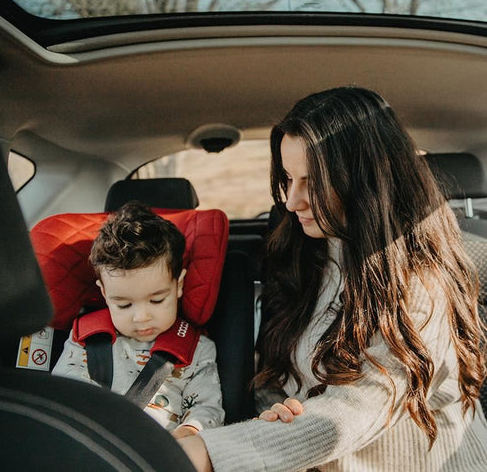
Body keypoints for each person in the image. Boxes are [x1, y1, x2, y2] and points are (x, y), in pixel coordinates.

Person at [178, 86, 487, 470]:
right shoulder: (311, 252)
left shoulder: (422, 282)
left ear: (366, 181)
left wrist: (210, 452)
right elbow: (276, 374)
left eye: (313, 182)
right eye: (288, 179)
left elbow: (356, 409)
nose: (292, 202)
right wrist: (274, 413)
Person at [52, 201, 224, 438]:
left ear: (179, 285)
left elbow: (207, 410)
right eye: (124, 304)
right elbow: (64, 395)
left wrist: (186, 435)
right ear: (104, 293)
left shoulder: (196, 349)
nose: (142, 317)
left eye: (156, 300)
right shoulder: (86, 338)